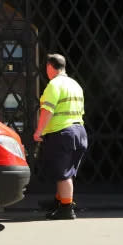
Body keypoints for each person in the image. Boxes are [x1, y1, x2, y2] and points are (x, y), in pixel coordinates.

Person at [33, 53, 88, 220]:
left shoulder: (54, 85)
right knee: (66, 171)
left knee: (63, 174)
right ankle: (59, 201)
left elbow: (47, 110)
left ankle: (66, 208)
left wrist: (39, 131)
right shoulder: (75, 85)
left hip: (62, 132)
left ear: (50, 67)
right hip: (79, 132)